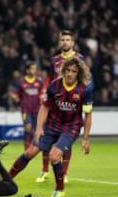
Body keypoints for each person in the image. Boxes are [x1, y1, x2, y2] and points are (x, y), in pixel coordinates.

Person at [9, 57, 93, 197]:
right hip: (51, 125)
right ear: (63, 70)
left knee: (54, 156)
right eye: (67, 70)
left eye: (74, 71)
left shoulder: (84, 90)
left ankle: (59, 190)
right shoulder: (54, 85)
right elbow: (45, 106)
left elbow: (88, 115)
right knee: (30, 152)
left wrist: (85, 138)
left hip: (71, 127)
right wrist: (39, 128)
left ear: (78, 73)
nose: (70, 74)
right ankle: (7, 179)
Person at [36, 30, 85, 183]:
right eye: (62, 39)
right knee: (47, 137)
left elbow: (84, 79)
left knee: (66, 138)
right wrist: (44, 91)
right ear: (60, 42)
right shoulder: (55, 60)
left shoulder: (79, 59)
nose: (65, 42)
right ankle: (45, 170)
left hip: (71, 102)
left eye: (68, 40)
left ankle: (64, 173)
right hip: (55, 102)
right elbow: (50, 79)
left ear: (73, 43)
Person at [10, 61, 43, 150]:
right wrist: (15, 97)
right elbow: (14, 93)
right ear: (27, 70)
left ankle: (35, 147)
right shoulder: (21, 82)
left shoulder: (39, 82)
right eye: (32, 69)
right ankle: (27, 149)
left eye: (35, 69)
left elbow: (42, 93)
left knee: (35, 130)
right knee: (28, 127)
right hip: (26, 109)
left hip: (37, 109)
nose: (34, 71)